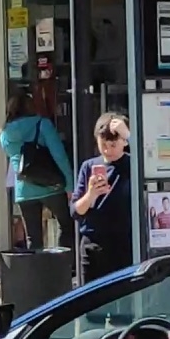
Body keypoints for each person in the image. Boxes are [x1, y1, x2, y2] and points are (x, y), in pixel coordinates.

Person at [0, 93, 74, 251]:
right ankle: (62, 267)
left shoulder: (4, 133)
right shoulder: (42, 124)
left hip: (24, 189)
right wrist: (69, 184)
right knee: (66, 226)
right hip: (50, 184)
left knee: (33, 237)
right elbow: (59, 155)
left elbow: (13, 158)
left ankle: (37, 273)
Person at [69, 112, 135, 283]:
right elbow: (76, 211)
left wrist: (128, 133)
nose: (108, 150)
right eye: (103, 144)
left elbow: (150, 158)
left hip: (123, 243)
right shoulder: (89, 166)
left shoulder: (132, 164)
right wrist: (91, 194)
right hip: (93, 244)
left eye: (113, 145)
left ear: (124, 143)